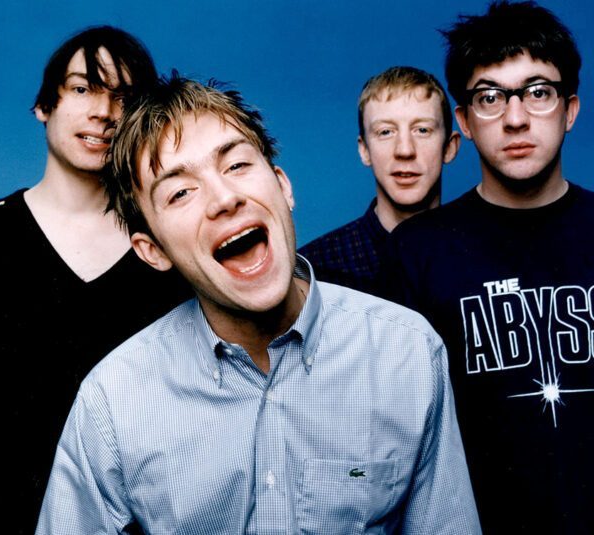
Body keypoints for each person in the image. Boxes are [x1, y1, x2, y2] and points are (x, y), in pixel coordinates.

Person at [35, 75, 481, 534]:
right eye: (180, 192)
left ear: (283, 187)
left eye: (236, 165)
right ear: (153, 251)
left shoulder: (408, 352)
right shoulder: (113, 401)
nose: (225, 199)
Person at [385, 1, 594, 533]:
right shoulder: (417, 251)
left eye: (538, 92)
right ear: (464, 121)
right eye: (489, 97)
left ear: (569, 109)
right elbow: (399, 440)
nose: (514, 118)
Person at [0, 27, 188, 532]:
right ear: (43, 105)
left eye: (124, 97)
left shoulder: (170, 251)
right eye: (83, 88)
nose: (103, 112)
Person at [299, 66, 460, 295]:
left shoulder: (483, 251)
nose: (405, 150)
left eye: (422, 130)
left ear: (450, 147)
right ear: (364, 150)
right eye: (385, 132)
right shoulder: (313, 272)